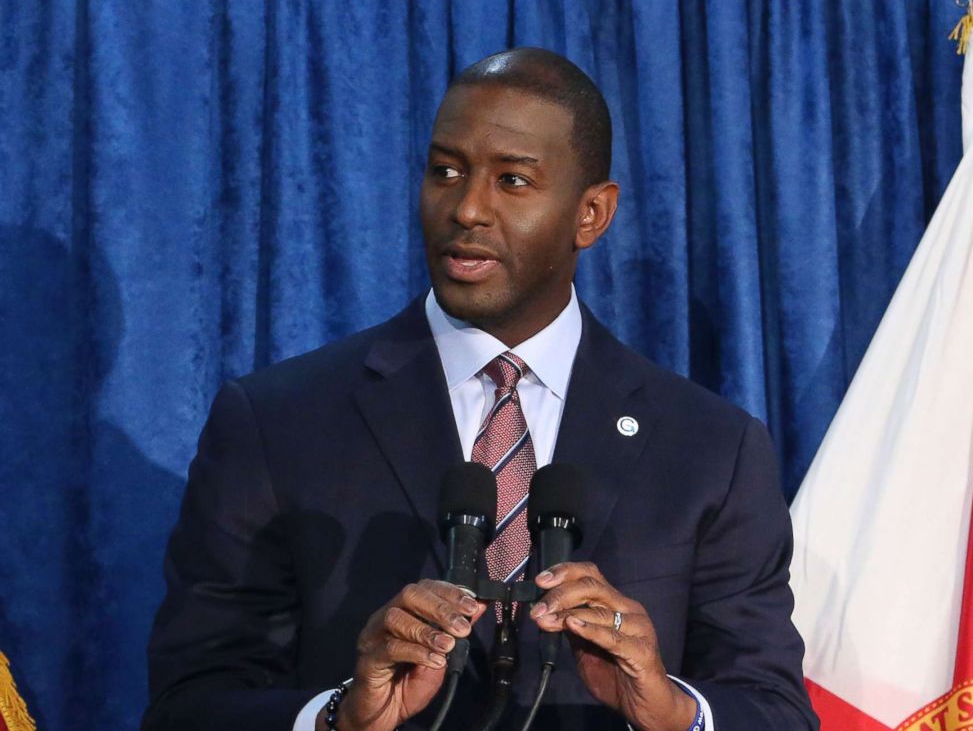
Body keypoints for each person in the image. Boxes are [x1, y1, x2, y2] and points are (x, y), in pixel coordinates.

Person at [143, 47, 818, 731]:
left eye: (513, 181)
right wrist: (336, 718)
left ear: (592, 214)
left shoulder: (711, 448)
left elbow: (775, 710)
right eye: (447, 171)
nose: (467, 209)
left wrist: (674, 711)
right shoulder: (276, 422)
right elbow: (188, 705)